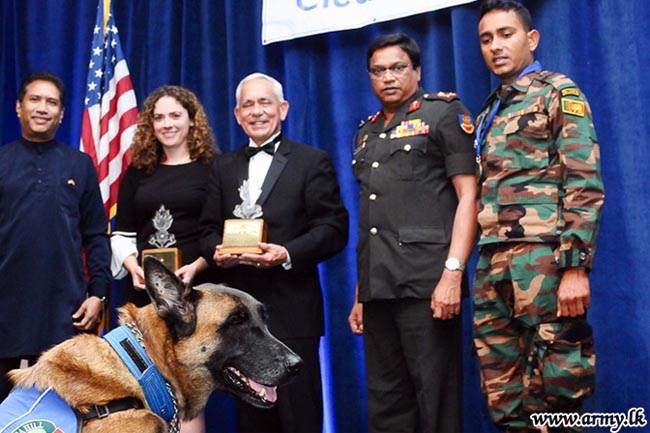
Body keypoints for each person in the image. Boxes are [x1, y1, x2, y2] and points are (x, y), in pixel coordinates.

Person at [473, 1, 605, 431]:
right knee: (504, 397)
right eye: (486, 39)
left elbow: (583, 181)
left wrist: (575, 269)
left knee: (557, 390)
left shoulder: (557, 91)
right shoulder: (488, 111)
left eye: (506, 34)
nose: (496, 46)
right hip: (492, 264)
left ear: (531, 39)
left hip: (545, 262)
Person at [199, 72, 348, 433]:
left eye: (264, 102)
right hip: (239, 323)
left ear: (282, 109)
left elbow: (333, 228)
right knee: (252, 420)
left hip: (293, 312)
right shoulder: (221, 167)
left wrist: (286, 253)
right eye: (248, 104)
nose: (256, 111)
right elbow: (205, 230)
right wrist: (215, 252)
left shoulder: (311, 161)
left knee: (300, 416)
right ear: (236, 114)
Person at [347, 33, 477, 433]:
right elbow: (373, 218)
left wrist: (453, 273)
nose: (388, 77)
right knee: (386, 404)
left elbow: (469, 196)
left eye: (398, 67)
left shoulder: (442, 114)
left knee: (437, 400)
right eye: (378, 70)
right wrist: (359, 294)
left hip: (428, 284)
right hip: (378, 286)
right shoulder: (365, 133)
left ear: (417, 70)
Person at [110, 85, 219, 433]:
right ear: (150, 124)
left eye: (175, 115)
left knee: (187, 389)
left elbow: (218, 233)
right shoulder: (138, 171)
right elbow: (122, 232)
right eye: (159, 117)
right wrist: (132, 267)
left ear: (192, 121)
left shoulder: (212, 170)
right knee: (144, 383)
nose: (167, 124)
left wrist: (198, 267)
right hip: (144, 297)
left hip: (193, 296)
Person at [0, 71, 111, 400]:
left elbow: (95, 236)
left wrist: (99, 294)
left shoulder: (80, 164)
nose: (42, 108)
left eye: (52, 102)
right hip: (6, 315)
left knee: (63, 414)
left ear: (62, 114)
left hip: (66, 316)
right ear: (18, 107)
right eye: (35, 99)